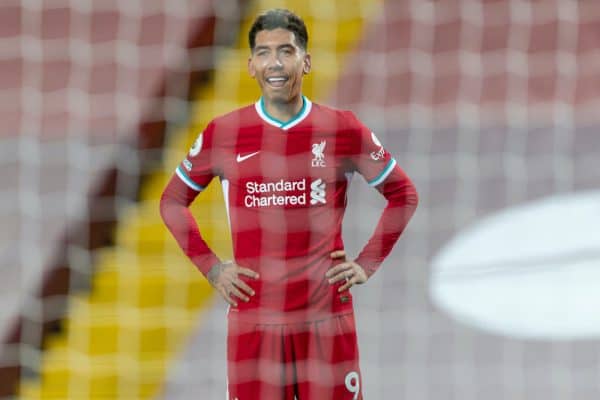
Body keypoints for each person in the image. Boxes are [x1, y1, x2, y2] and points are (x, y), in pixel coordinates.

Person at [160, 8, 418, 400]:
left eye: (286, 51)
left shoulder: (341, 128)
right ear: (250, 66)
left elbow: (403, 194)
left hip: (326, 322)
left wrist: (366, 263)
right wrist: (212, 268)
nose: (275, 63)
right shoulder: (225, 133)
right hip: (255, 326)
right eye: (263, 53)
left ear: (306, 61)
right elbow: (172, 203)